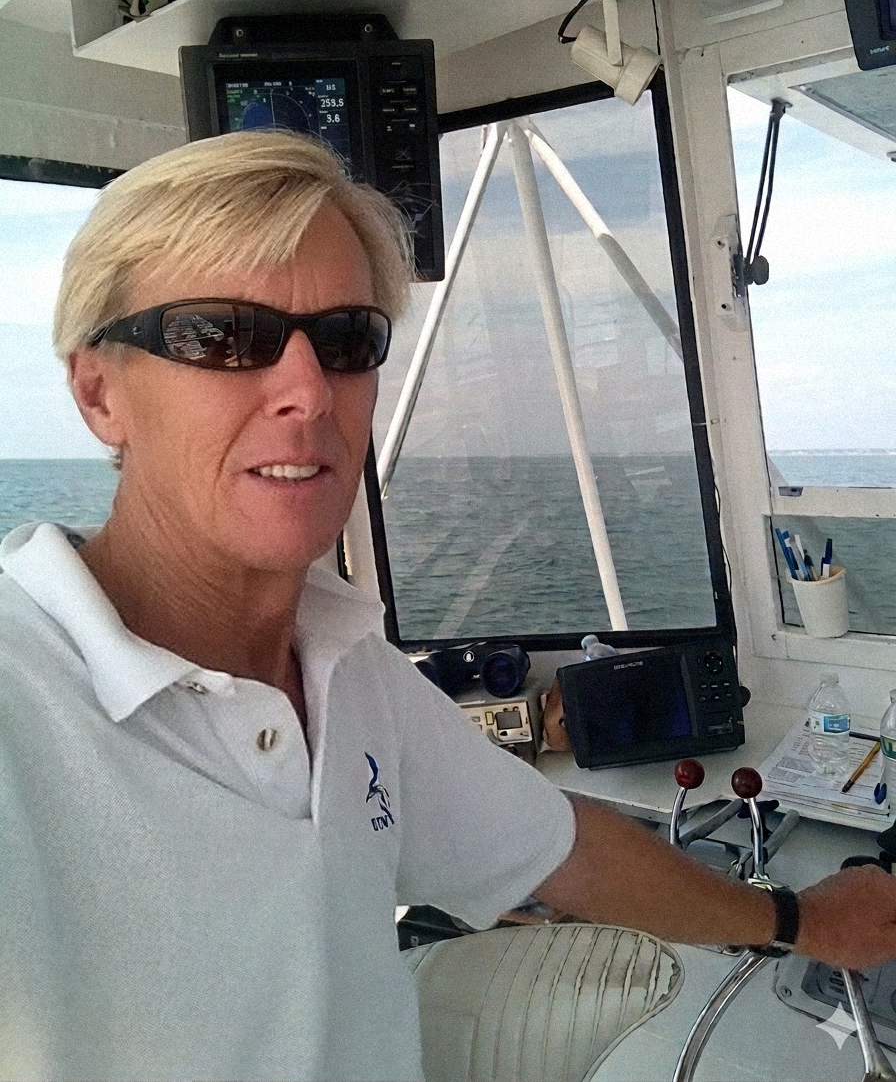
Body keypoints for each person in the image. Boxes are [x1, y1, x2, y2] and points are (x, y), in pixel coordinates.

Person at [0, 129, 894, 1082]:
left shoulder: (346, 666)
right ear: (99, 391)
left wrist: (798, 920)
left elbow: (564, 851)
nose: (308, 390)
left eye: (346, 339)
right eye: (223, 336)